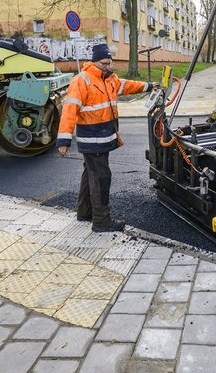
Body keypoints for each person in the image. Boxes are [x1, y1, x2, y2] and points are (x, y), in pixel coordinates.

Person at [56, 43, 157, 232]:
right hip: (92, 139)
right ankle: (102, 221)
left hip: (103, 137)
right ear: (94, 62)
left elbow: (127, 85)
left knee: (90, 174)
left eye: (110, 63)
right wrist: (64, 140)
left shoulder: (109, 79)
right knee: (101, 177)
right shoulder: (82, 81)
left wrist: (150, 86)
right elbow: (69, 110)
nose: (108, 67)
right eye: (104, 63)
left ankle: (84, 212)